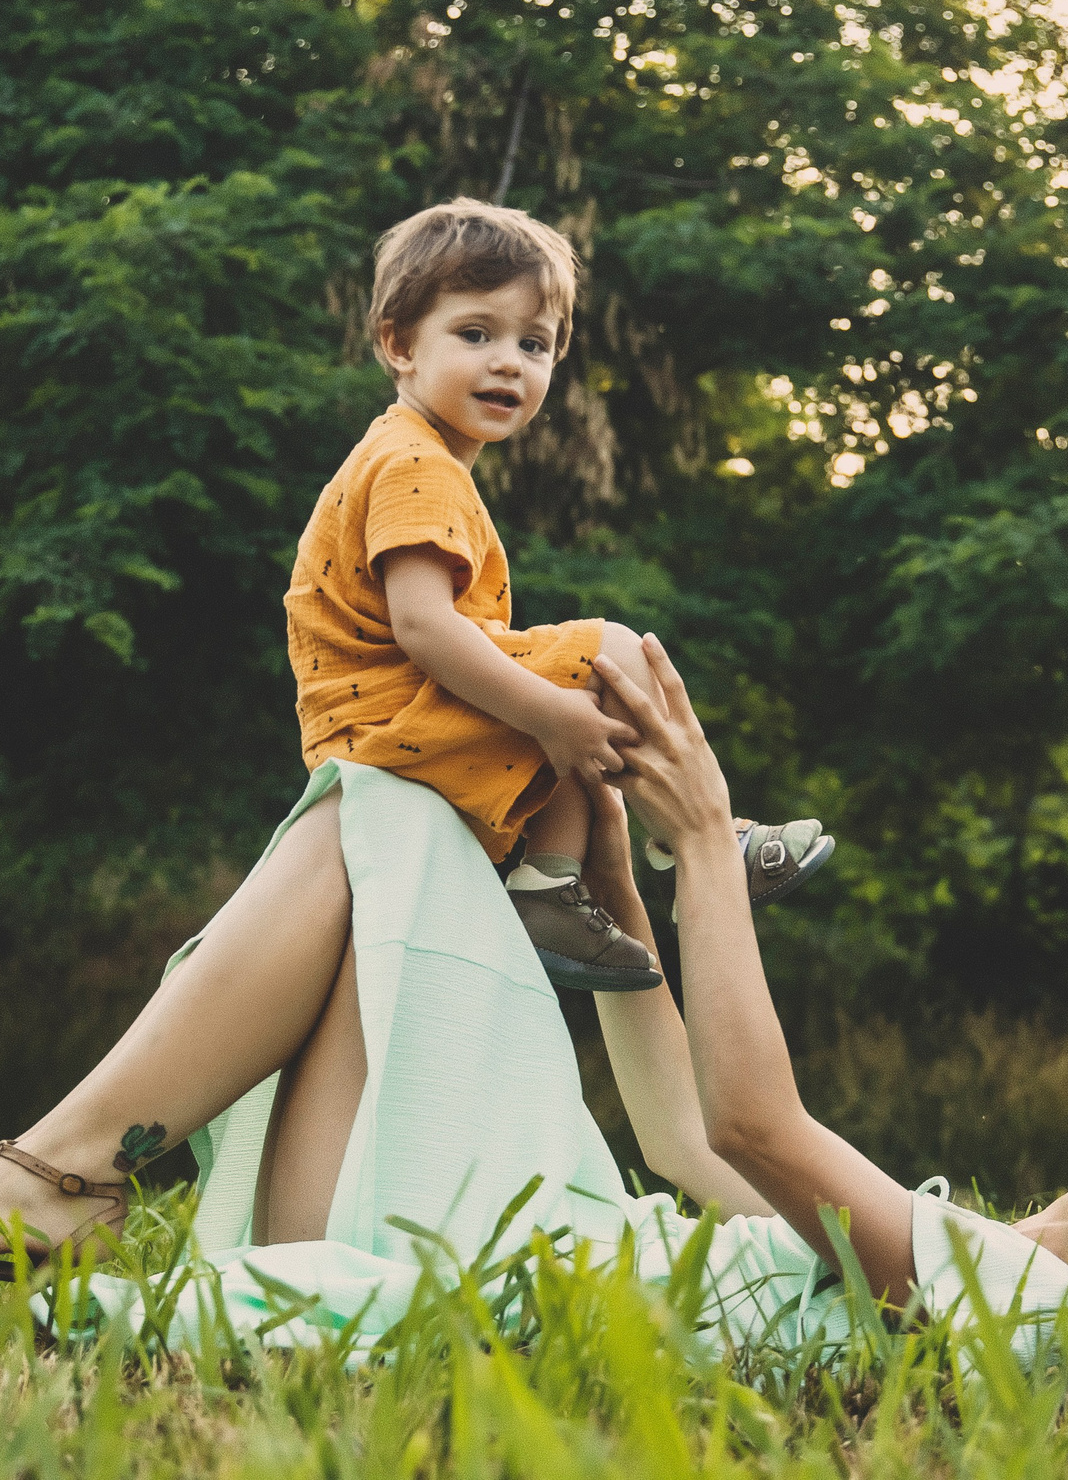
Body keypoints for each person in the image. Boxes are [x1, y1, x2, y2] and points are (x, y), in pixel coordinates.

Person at [0, 636, 1068, 1340]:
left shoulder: (1035, 1309)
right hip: (469, 1230)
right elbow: (681, 1139)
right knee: (398, 805)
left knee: (398, 808)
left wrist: (712, 833)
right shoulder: (976, 1248)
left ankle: (59, 1176)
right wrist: (632, 881)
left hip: (464, 1266)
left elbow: (753, 1119)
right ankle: (63, 1174)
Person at [290, 197, 831, 991]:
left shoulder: (405, 453)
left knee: (574, 698)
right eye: (476, 334)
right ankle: (706, 841)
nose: (509, 362)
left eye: (533, 343)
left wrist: (555, 712)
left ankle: (547, 883)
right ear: (399, 345)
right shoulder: (417, 464)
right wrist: (547, 712)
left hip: (373, 720)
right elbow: (423, 627)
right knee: (610, 653)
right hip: (387, 717)